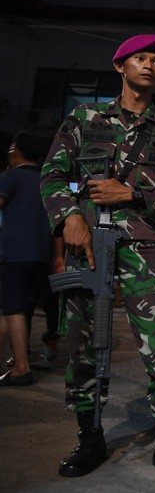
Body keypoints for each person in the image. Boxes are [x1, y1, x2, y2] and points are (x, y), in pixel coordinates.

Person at [39, 34, 155, 480]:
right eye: (140, 59)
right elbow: (51, 174)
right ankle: (89, 437)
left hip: (147, 250)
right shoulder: (84, 118)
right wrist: (69, 217)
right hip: (87, 246)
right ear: (120, 66)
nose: (149, 66)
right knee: (83, 344)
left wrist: (133, 192)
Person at [0, 131, 53, 386]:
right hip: (41, 255)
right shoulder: (47, 179)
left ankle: (22, 367)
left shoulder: (12, 176)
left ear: (16, 151)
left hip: (15, 254)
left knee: (14, 309)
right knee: (8, 309)